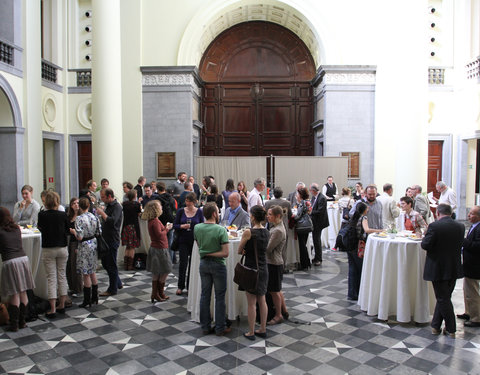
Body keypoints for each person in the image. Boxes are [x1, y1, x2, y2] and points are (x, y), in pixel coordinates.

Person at [421, 203, 464, 337]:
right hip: (453, 266)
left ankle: (451, 328)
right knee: (444, 297)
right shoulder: (461, 226)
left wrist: (425, 236)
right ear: (450, 213)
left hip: (438, 267)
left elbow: (425, 245)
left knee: (442, 298)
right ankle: (435, 326)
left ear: (437, 213)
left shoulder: (435, 226)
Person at [194, 202, 230, 336]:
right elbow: (225, 253)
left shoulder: (197, 228)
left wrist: (206, 253)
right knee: (219, 297)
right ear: (215, 214)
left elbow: (200, 246)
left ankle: (205, 326)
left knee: (205, 295)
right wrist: (211, 253)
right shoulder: (220, 229)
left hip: (204, 264)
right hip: (218, 265)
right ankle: (220, 328)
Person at [0, 207, 35, 331]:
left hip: (10, 262)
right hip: (23, 259)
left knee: (14, 292)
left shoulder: (1, 232)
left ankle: (14, 324)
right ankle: (22, 321)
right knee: (23, 291)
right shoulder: (16, 229)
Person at [238, 205, 269, 340]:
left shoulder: (248, 232)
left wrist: (245, 250)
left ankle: (251, 331)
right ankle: (262, 328)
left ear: (254, 217)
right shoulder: (267, 231)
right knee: (262, 300)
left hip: (251, 268)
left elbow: (239, 250)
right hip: (263, 267)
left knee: (251, 302)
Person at [37, 191, 70, 318]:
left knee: (51, 278)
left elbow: (40, 228)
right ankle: (62, 304)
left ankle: (52, 308)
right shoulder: (62, 214)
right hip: (62, 247)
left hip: (48, 248)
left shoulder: (42, 215)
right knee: (62, 276)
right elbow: (67, 230)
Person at [348, 202, 382, 300]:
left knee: (352, 269)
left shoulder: (353, 217)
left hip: (350, 245)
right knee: (360, 269)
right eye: (367, 208)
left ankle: (352, 293)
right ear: (364, 210)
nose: (368, 210)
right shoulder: (363, 218)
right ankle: (360, 293)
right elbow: (366, 230)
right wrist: (380, 230)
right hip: (359, 246)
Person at [142, 200, 173, 302]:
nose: (161, 207)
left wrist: (164, 228)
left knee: (157, 272)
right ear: (155, 209)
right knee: (165, 270)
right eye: (160, 206)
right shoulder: (155, 221)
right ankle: (157, 293)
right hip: (159, 248)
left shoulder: (153, 220)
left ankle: (157, 294)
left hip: (157, 247)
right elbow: (160, 235)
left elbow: (158, 233)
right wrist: (167, 229)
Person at [173, 193, 204, 296]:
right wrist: (182, 226)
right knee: (183, 263)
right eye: (186, 201)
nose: (187, 203)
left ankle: (190, 286)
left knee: (193, 264)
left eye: (189, 202)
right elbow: (175, 225)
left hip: (194, 241)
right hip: (183, 240)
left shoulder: (199, 212)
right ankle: (180, 286)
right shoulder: (181, 211)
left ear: (194, 202)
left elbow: (202, 224)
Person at [72, 197, 100, 308]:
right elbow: (99, 231)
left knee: (86, 273)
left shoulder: (79, 219)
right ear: (88, 206)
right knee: (92, 270)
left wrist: (74, 232)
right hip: (93, 242)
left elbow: (79, 236)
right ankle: (95, 297)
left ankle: (87, 299)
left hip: (84, 245)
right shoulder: (94, 217)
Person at [96, 188, 123, 297]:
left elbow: (112, 221)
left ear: (109, 196)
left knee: (111, 264)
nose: (101, 199)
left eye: (103, 197)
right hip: (106, 239)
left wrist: (102, 213)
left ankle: (112, 289)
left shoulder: (117, 207)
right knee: (105, 263)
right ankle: (118, 282)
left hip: (112, 239)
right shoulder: (109, 206)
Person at [457, 206, 480, 328]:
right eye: (469, 213)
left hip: (475, 265)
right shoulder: (474, 226)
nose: (469, 216)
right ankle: (468, 312)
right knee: (467, 290)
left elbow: (477, 246)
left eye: (472, 214)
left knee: (473, 292)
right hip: (469, 263)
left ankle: (476, 318)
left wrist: (464, 242)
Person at [265, 205, 288, 324]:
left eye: (270, 214)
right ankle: (284, 311)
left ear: (277, 216)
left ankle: (278, 315)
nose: (267, 217)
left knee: (274, 291)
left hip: (274, 263)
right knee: (277, 289)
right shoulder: (276, 227)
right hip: (275, 262)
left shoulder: (278, 230)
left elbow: (268, 248)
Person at [264, 187, 292, 268]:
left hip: (272, 227)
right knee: (282, 249)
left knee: (271, 247)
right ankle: (283, 266)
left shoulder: (268, 203)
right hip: (284, 227)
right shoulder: (287, 203)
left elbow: (265, 216)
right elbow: (290, 215)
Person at [66, 197, 82, 297]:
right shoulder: (68, 216)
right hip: (69, 242)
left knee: (76, 265)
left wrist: (74, 232)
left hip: (76, 242)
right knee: (69, 266)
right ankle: (71, 286)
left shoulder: (81, 217)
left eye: (77, 203)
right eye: (74, 203)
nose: (76, 205)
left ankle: (78, 287)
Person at [121, 189, 141, 270]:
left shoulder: (124, 204)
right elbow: (139, 214)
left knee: (127, 247)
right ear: (134, 196)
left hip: (126, 226)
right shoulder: (136, 204)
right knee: (132, 247)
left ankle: (126, 264)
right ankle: (130, 265)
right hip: (133, 226)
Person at [309, 183, 329, 265]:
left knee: (317, 240)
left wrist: (310, 212)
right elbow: (312, 206)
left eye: (311, 190)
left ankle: (319, 259)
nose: (310, 192)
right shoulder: (314, 197)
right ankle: (316, 257)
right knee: (315, 239)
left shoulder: (322, 198)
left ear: (313, 191)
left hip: (319, 222)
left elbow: (320, 211)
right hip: (314, 221)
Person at [294, 187, 312, 270]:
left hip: (302, 226)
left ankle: (304, 263)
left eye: (297, 194)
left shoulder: (302, 203)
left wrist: (293, 216)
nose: (296, 196)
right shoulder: (308, 202)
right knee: (303, 244)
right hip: (307, 225)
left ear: (300, 195)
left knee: (302, 246)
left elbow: (298, 216)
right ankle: (307, 262)